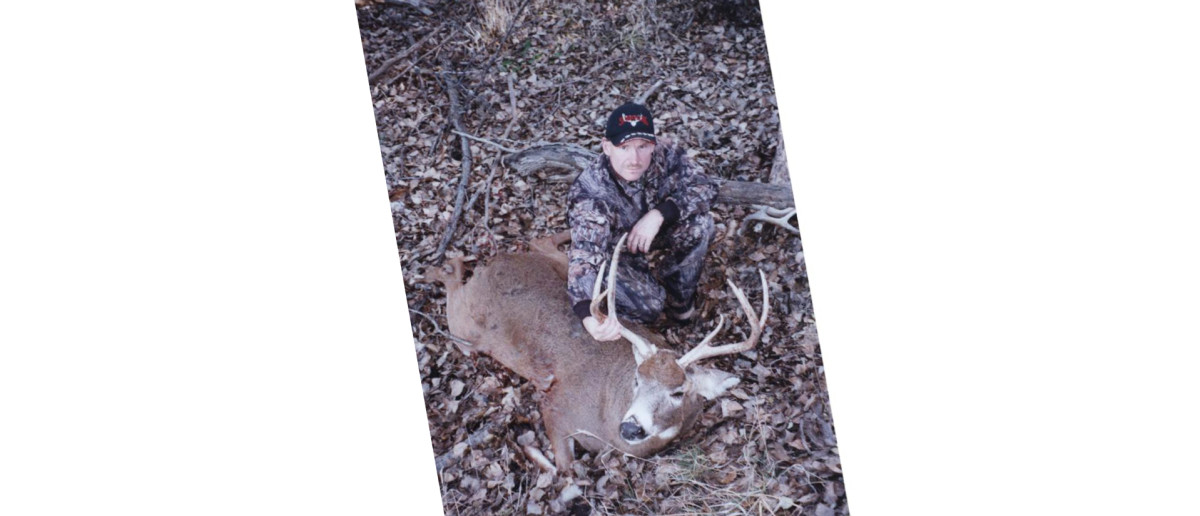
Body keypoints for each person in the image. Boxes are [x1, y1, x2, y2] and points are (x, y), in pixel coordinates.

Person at [567, 101, 717, 342]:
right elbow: (585, 256)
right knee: (649, 307)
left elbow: (706, 186)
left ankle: (679, 300)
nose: (634, 158)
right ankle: (643, 292)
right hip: (617, 249)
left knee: (701, 226)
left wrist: (659, 214)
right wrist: (587, 315)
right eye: (624, 147)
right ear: (607, 147)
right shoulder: (590, 192)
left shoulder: (666, 153)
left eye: (642, 146)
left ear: (653, 145)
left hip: (654, 231)